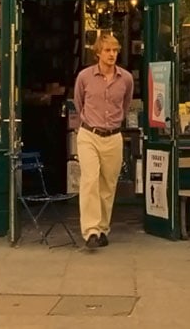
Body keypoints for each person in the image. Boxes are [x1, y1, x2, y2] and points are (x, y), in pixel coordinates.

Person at [73, 34, 134, 249]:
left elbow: (125, 106)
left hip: (113, 136)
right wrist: (91, 122)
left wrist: (114, 124)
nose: (112, 54)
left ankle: (102, 228)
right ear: (98, 52)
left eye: (115, 50)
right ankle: (90, 231)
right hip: (89, 133)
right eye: (107, 50)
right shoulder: (84, 77)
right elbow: (79, 103)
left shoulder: (125, 78)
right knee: (90, 180)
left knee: (108, 185)